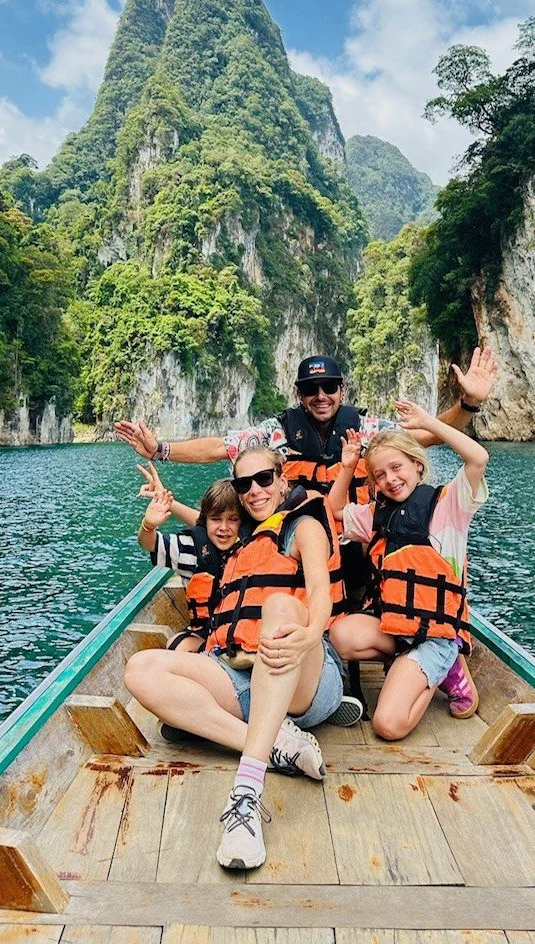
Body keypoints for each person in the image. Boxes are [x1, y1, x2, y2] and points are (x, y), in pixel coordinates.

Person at [124, 446, 346, 871]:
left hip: (304, 676)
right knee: (141, 668)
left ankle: (246, 792)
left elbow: (320, 593)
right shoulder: (241, 538)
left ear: (283, 479)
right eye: (245, 484)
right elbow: (209, 524)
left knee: (280, 608)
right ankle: (277, 743)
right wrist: (162, 508)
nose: (255, 490)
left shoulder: (303, 526)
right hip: (241, 678)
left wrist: (309, 633)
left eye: (264, 479)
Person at [114, 348, 498, 516]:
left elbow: (427, 435)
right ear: (299, 393)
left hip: (353, 532)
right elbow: (219, 447)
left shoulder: (364, 428)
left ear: (342, 390)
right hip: (297, 534)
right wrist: (159, 449)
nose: (321, 396)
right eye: (311, 389)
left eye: (329, 387)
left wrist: (468, 405)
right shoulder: (278, 432)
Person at [327, 400, 488, 741]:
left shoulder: (449, 507)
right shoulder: (376, 515)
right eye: (380, 475)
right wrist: (347, 467)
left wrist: (428, 422)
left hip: (436, 636)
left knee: (387, 725)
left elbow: (477, 458)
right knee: (340, 635)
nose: (390, 479)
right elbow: (335, 509)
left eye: (397, 467)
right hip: (397, 628)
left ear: (417, 465)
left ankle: (447, 668)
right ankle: (413, 665)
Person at [135, 465, 250, 653]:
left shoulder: (253, 546)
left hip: (245, 637)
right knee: (178, 645)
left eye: (233, 519)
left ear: (243, 522)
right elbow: (149, 543)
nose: (223, 527)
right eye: (216, 519)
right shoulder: (190, 549)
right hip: (206, 636)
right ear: (206, 521)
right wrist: (148, 525)